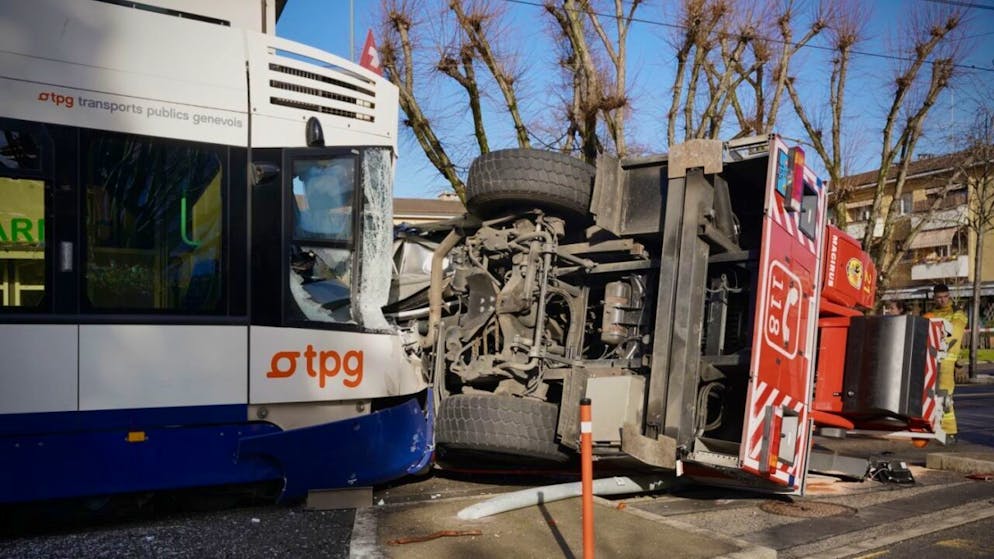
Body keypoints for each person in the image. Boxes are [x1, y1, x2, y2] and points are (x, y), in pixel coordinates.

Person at [923, 284, 967, 443]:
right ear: (934, 298)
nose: (942, 300)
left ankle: (950, 432)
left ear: (949, 296)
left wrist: (957, 361)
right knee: (931, 396)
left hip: (947, 360)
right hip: (931, 359)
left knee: (945, 396)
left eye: (945, 297)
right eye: (939, 297)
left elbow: (956, 334)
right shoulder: (931, 313)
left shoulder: (957, 313)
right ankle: (936, 427)